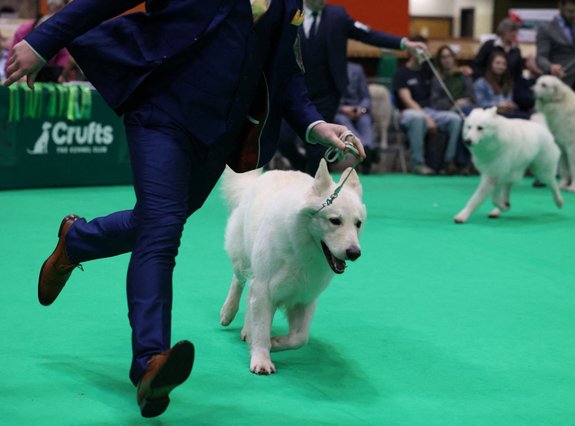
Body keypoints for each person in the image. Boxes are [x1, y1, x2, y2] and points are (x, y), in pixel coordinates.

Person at [4, 0, 366, 418]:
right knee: (161, 228)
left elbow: (288, 78)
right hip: (160, 108)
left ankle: (77, 240)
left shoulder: (290, 4)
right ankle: (150, 365)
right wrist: (43, 42)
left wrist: (318, 126)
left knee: (156, 220)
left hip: (219, 133)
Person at [277, 0, 426, 175]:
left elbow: (369, 34)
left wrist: (404, 43)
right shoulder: (288, 11)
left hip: (327, 92)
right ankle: (302, 166)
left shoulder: (338, 16)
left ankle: (315, 191)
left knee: (317, 147)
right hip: (294, 91)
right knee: (283, 140)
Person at [392, 39, 463, 175]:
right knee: (418, 117)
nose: (423, 53)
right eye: (419, 49)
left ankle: (448, 162)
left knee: (455, 119)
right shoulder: (401, 73)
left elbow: (446, 72)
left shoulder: (428, 70)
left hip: (431, 111)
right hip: (408, 113)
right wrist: (427, 118)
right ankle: (417, 163)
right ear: (411, 51)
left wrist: (461, 70)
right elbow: (408, 101)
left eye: (424, 49)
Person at [4, 0, 70, 82]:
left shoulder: (59, 32)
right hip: (24, 78)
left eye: (59, 10)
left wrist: (59, 75)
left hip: (48, 81)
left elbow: (62, 62)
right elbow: (8, 67)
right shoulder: (23, 32)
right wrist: (19, 76)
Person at [334, 62, 377, 174]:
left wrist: (361, 109)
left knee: (365, 121)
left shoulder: (357, 69)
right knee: (342, 122)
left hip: (359, 110)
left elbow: (366, 97)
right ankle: (367, 149)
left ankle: (365, 150)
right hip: (339, 111)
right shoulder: (328, 68)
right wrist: (343, 109)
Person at [474, 51, 529, 119]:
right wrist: (497, 105)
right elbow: (480, 104)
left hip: (507, 114)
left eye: (504, 64)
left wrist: (511, 105)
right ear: (490, 64)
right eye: (498, 63)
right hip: (489, 115)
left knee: (527, 116)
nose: (501, 66)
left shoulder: (508, 83)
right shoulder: (481, 83)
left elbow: (509, 100)